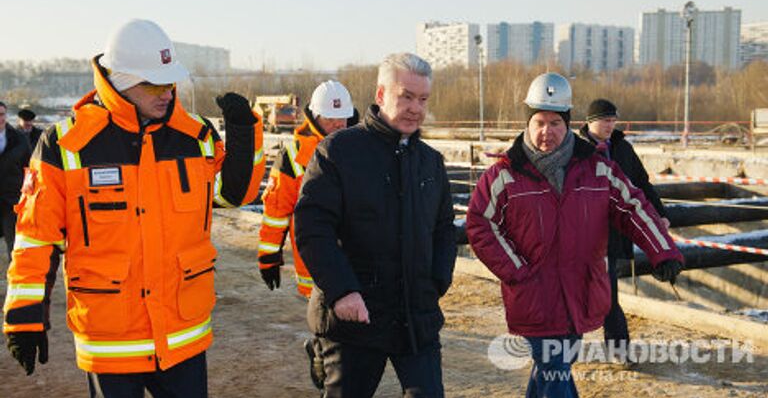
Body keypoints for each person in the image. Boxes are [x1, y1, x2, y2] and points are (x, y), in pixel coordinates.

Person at [3, 19, 266, 398]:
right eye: (154, 83)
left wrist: (243, 137)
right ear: (121, 80)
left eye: (170, 82)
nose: (166, 93)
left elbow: (230, 195)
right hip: (111, 342)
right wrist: (24, 316)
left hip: (182, 336)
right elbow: (35, 238)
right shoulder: (66, 145)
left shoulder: (195, 136)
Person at [466, 73, 683, 398]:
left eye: (555, 123)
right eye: (539, 122)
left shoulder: (596, 169)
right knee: (555, 369)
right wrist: (517, 271)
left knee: (552, 370)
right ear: (527, 122)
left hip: (579, 292)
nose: (546, 131)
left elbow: (632, 206)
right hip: (533, 294)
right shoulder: (506, 174)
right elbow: (480, 225)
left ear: (567, 123)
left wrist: (663, 251)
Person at [294, 52, 456, 398]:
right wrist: (341, 291)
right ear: (381, 95)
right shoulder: (338, 152)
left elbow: (444, 228)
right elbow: (312, 226)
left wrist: (437, 281)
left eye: (423, 99)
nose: (416, 107)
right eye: (406, 96)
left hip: (416, 317)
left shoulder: (430, 162)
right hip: (355, 317)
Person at [257, 80, 357, 389]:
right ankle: (321, 355)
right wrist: (268, 254)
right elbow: (276, 210)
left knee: (350, 319)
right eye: (331, 119)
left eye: (343, 118)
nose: (338, 125)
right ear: (314, 116)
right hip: (313, 257)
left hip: (355, 253)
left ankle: (324, 354)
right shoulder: (294, 155)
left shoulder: (360, 145)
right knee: (327, 317)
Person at [578, 98, 670, 361]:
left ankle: (618, 350)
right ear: (590, 121)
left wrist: (660, 214)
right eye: (605, 120)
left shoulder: (623, 149)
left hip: (612, 235)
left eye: (613, 120)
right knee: (578, 294)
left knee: (608, 292)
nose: (610, 125)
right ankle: (564, 348)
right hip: (581, 236)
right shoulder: (575, 150)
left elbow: (642, 184)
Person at [0, 101, 32, 261]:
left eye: (2, 114)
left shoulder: (19, 139)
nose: (0, 118)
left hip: (11, 199)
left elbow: (30, 167)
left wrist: (27, 193)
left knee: (14, 243)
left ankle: (15, 277)